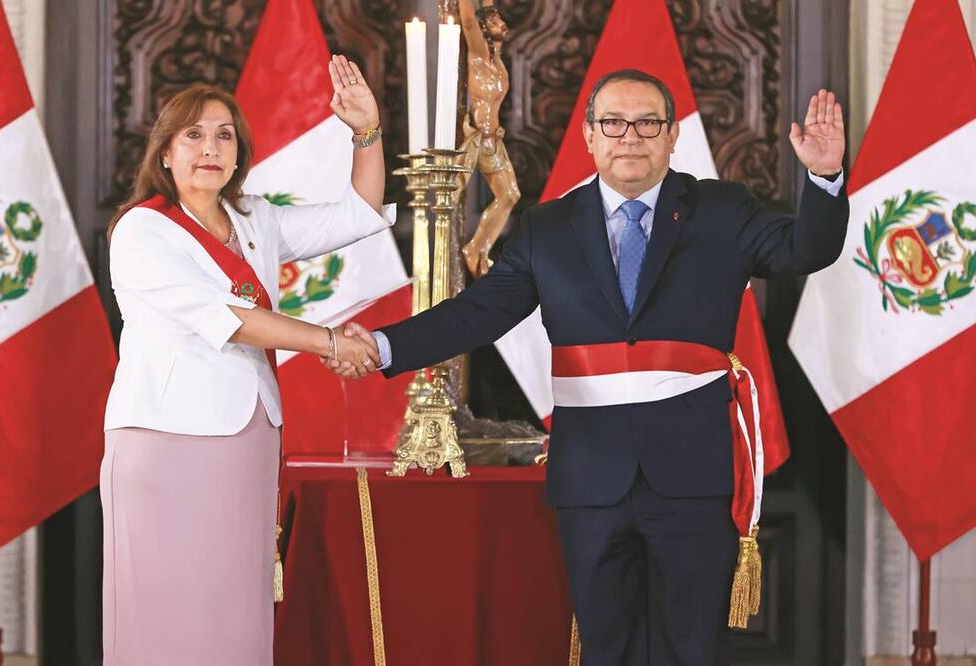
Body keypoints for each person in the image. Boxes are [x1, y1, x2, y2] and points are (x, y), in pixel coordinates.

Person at [333, 70, 848, 664]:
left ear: (672, 134)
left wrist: (824, 177)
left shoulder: (721, 210)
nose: (630, 136)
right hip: (591, 480)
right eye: (613, 123)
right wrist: (380, 345)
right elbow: (478, 314)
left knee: (690, 648)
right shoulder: (547, 227)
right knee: (606, 649)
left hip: (692, 474)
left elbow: (807, 250)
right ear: (589, 136)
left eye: (647, 122)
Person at [100, 55, 387, 665]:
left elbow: (358, 215)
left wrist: (366, 133)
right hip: (164, 435)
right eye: (194, 134)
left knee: (237, 598)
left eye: (225, 135)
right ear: (166, 152)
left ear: (239, 153)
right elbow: (229, 320)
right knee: (165, 603)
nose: (211, 147)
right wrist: (332, 342)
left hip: (248, 431)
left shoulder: (254, 217)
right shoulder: (142, 231)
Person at [456, 0, 521, 277]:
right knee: (452, 196)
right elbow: (469, 20)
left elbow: (485, 8)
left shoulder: (498, 62)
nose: (502, 23)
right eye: (495, 20)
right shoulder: (478, 55)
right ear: (484, 28)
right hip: (475, 140)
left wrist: (489, 4)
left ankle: (478, 247)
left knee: (510, 195)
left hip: (493, 140)